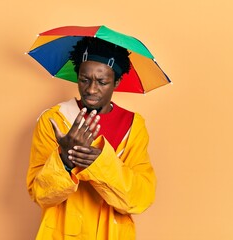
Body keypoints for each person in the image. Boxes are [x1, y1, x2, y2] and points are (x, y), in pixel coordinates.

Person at [26, 37, 156, 239]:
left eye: (102, 82)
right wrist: (64, 161)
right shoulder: (54, 119)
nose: (91, 89)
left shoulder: (133, 125)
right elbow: (40, 194)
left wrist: (99, 163)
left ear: (117, 82)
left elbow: (140, 198)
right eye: (84, 80)